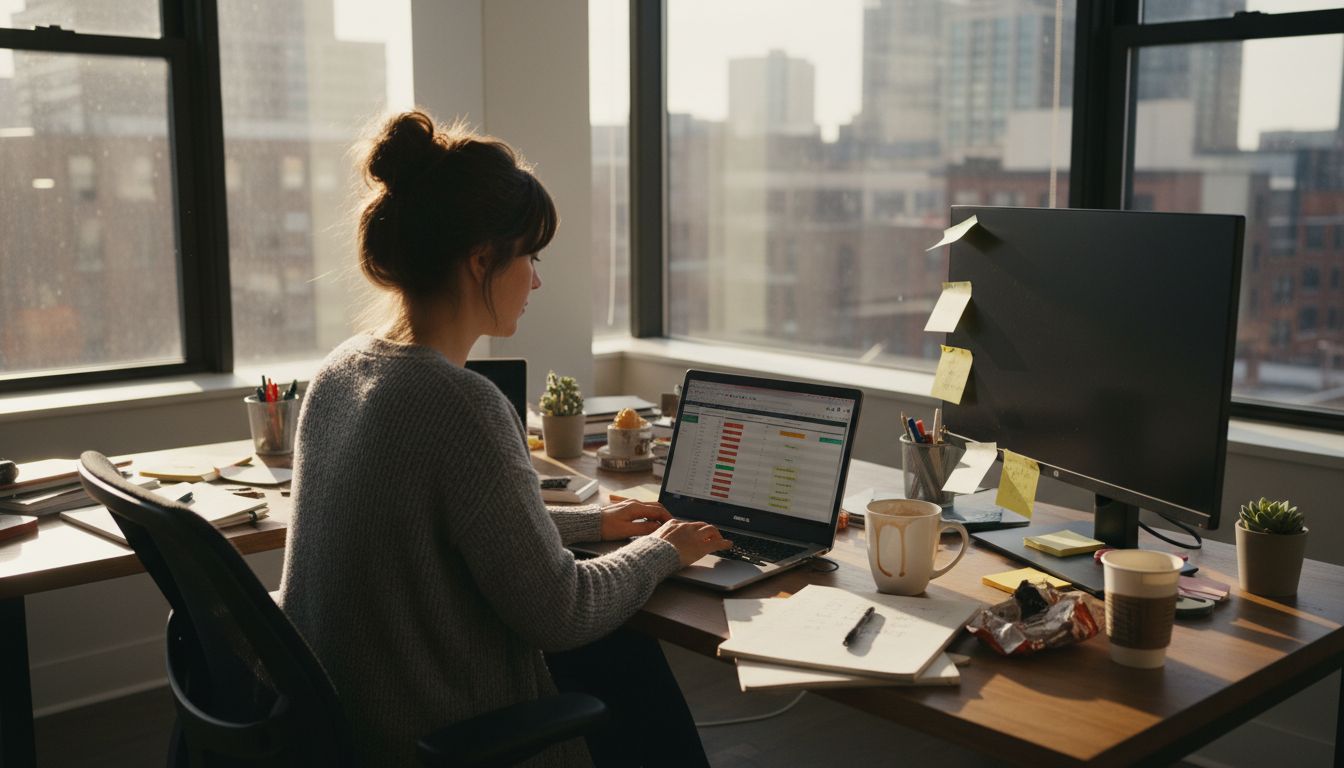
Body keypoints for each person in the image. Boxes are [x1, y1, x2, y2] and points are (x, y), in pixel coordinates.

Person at [278, 110, 731, 767]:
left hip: (348, 723)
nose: (537, 280)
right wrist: (663, 550)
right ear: (482, 260)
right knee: (623, 651)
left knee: (619, 644)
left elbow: (442, 530)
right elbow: (561, 612)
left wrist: (594, 523)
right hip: (430, 734)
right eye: (530, 256)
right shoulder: (461, 404)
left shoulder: (341, 371)